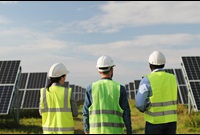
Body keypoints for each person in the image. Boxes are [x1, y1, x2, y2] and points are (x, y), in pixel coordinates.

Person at [82, 55, 132, 134]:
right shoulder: (119, 88)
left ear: (99, 71)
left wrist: (86, 130)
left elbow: (85, 112)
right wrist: (129, 131)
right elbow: (126, 114)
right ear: (111, 70)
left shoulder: (91, 88)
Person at [135, 50, 178, 134]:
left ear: (150, 65)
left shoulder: (147, 80)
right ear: (164, 64)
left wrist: (146, 106)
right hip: (171, 122)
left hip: (154, 123)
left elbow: (139, 104)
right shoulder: (173, 78)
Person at [39, 63, 78, 134]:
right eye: (65, 76)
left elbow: (41, 113)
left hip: (48, 132)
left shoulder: (44, 92)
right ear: (61, 77)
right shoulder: (68, 92)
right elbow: (75, 113)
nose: (65, 78)